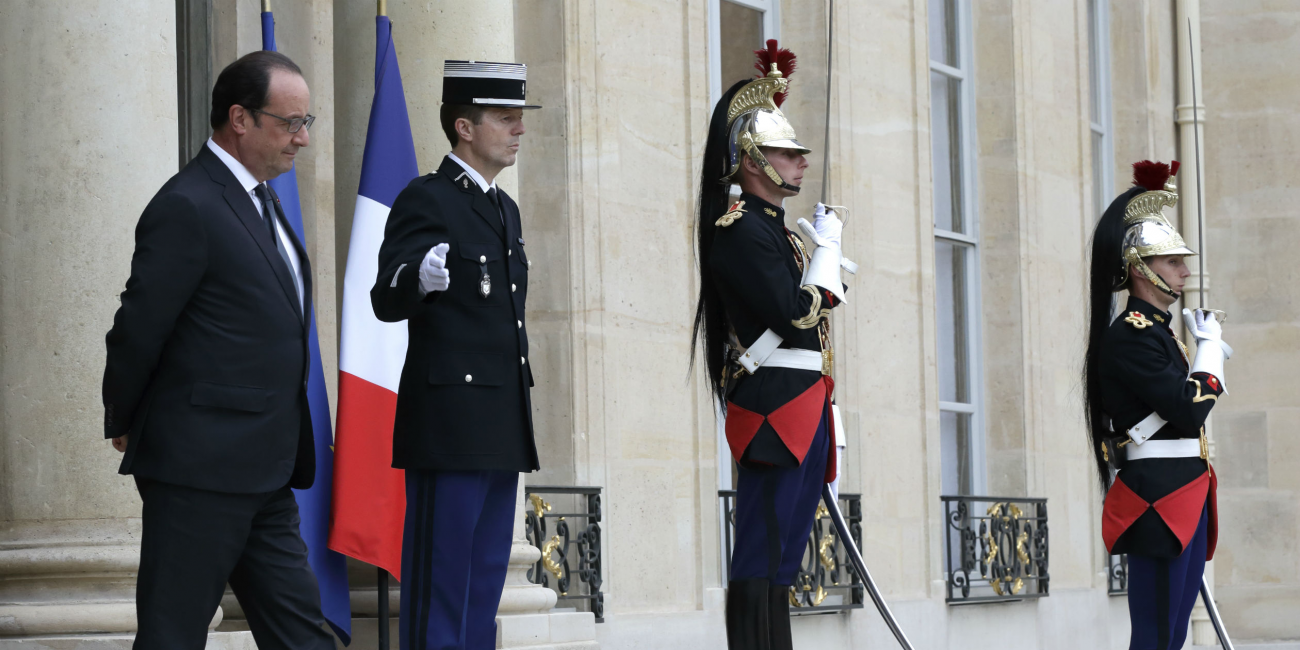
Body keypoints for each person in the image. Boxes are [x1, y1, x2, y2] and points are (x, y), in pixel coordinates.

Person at [102, 51, 334, 649]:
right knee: (172, 636)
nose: (302, 139)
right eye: (290, 123)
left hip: (267, 470)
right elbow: (139, 327)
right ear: (239, 118)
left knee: (303, 635)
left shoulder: (263, 199)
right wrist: (125, 417)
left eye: (306, 123)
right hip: (198, 470)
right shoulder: (189, 202)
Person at [370, 60, 541, 650]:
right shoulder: (429, 197)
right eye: (504, 117)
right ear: (464, 127)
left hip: (499, 419)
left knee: (484, 582)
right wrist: (417, 276)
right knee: (441, 583)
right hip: (449, 421)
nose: (518, 128)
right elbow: (384, 298)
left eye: (520, 118)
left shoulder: (504, 209)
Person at [690, 40, 847, 650]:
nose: (800, 164)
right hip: (774, 405)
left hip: (803, 399)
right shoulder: (739, 231)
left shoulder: (779, 233)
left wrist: (820, 259)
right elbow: (793, 315)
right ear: (752, 160)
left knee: (784, 557)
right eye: (787, 153)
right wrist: (827, 264)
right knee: (763, 549)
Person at [1082, 160, 1230, 650]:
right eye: (1172, 262)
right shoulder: (1131, 336)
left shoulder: (1160, 333)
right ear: (1140, 270)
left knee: (1171, 635)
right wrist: (1210, 354)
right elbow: (1188, 409)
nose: (1185, 270)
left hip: (1182, 493)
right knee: (1155, 636)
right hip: (1159, 501)